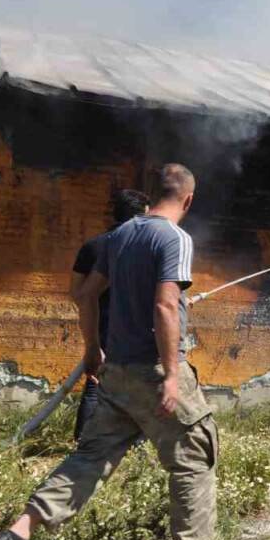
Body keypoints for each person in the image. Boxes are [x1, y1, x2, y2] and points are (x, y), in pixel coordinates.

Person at [0, 164, 224, 540]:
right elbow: (165, 306)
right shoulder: (175, 238)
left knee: (91, 456)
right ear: (188, 200)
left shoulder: (119, 237)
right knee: (194, 455)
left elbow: (87, 294)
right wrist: (170, 374)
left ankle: (19, 534)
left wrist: (93, 350)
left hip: (116, 372)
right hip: (153, 369)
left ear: (152, 192)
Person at [70, 188, 149, 442]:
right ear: (140, 217)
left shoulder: (92, 246)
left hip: (100, 327)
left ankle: (84, 442)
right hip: (137, 331)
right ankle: (136, 445)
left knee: (95, 387)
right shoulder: (145, 248)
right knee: (142, 389)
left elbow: (77, 293)